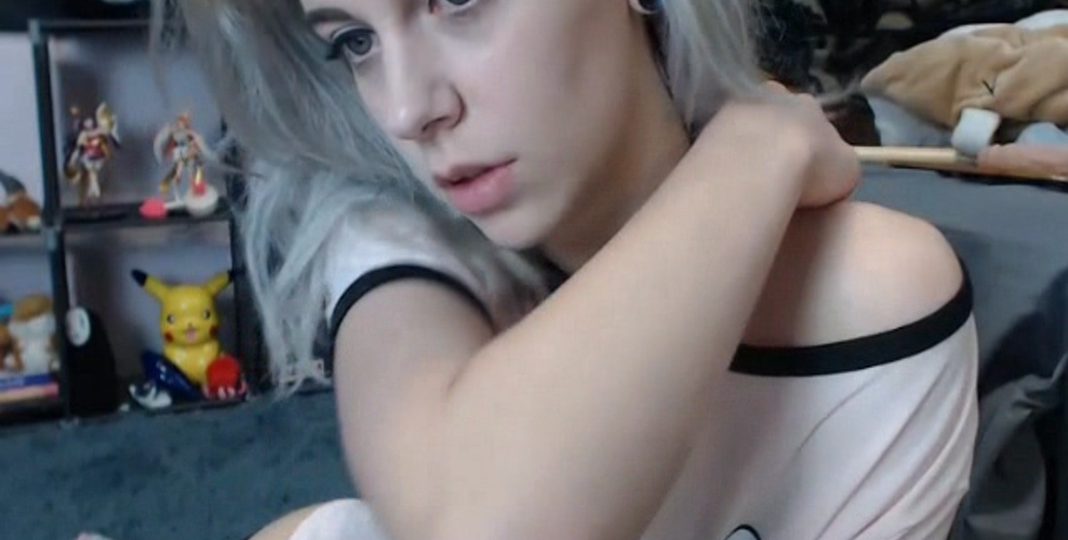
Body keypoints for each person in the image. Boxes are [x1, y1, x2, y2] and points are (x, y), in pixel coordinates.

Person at [160, 0, 978, 538]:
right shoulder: (396, 233)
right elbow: (470, 522)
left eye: (458, 2)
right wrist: (754, 147)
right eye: (355, 42)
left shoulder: (872, 293)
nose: (408, 110)